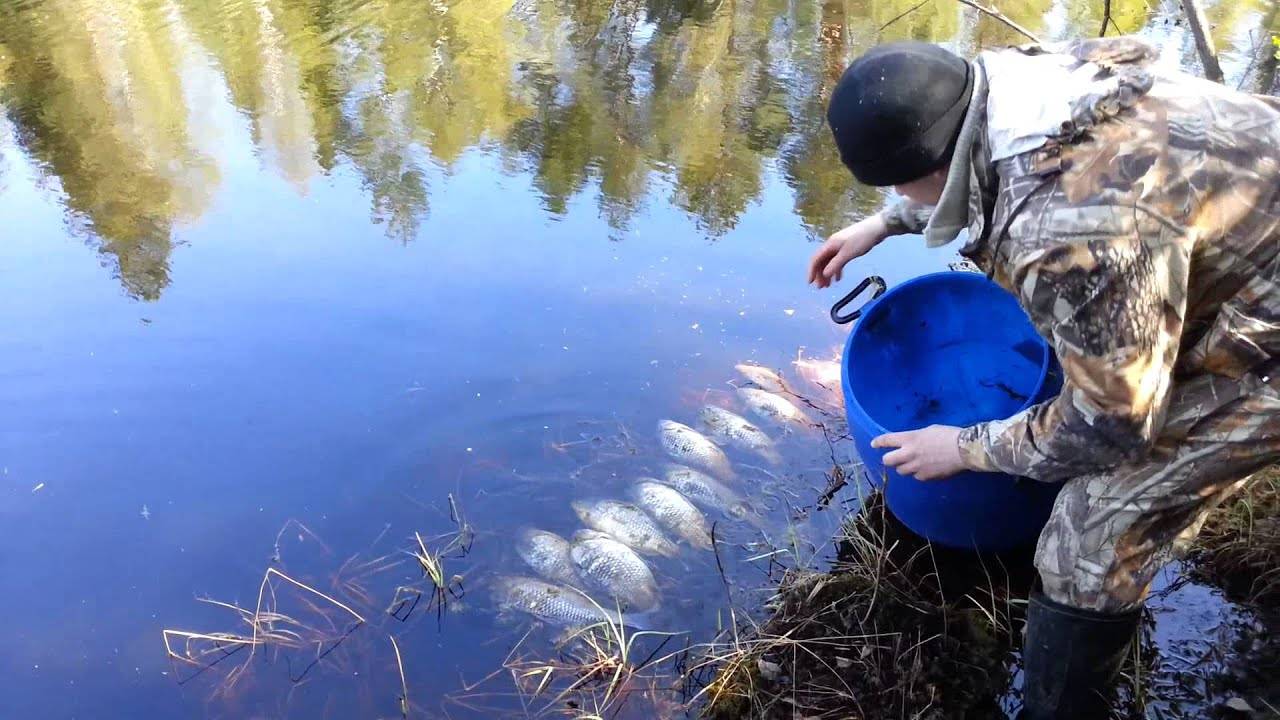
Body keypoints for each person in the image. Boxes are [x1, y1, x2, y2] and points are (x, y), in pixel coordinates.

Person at [809, 37, 1280, 719]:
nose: (897, 196)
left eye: (897, 185)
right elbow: (970, 167)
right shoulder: (1018, 76)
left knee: (1089, 536)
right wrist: (885, 224)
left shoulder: (1070, 236)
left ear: (930, 164)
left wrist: (965, 447)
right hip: (1251, 219)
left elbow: (1114, 423)